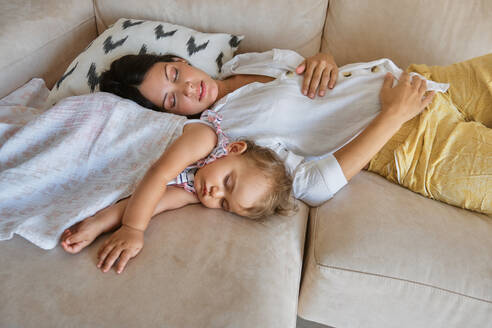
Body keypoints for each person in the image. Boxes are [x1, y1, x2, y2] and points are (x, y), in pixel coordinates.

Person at [100, 50, 492, 215]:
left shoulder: (244, 61)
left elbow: (307, 72)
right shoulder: (222, 136)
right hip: (417, 145)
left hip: (421, 80)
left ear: (180, 61)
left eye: (174, 76)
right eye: (171, 101)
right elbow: (312, 185)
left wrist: (324, 59)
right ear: (171, 117)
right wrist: (392, 116)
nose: (186, 89)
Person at [60, 111, 293, 273]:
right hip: (114, 126)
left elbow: (151, 201)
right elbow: (158, 174)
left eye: (223, 203)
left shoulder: (194, 192)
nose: (214, 193)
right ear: (232, 149)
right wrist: (133, 228)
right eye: (227, 182)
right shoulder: (205, 139)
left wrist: (98, 223)